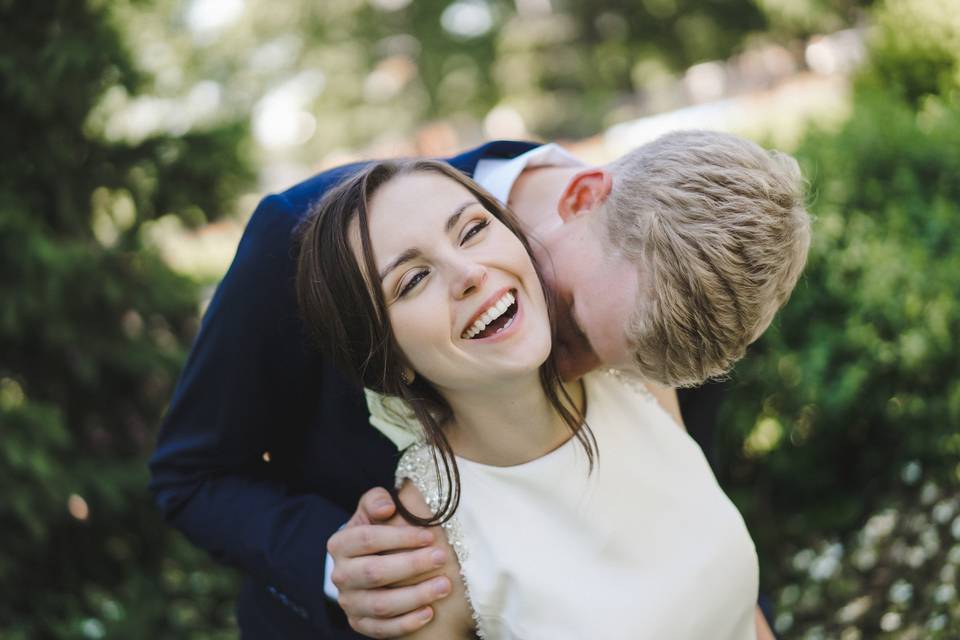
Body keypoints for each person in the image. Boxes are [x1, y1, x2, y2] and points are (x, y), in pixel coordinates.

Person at [148, 133, 808, 638]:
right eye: (572, 328)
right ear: (582, 199)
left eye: (621, 369)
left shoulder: (676, 297)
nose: (571, 372)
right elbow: (193, 474)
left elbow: (689, 526)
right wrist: (348, 569)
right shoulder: (295, 247)